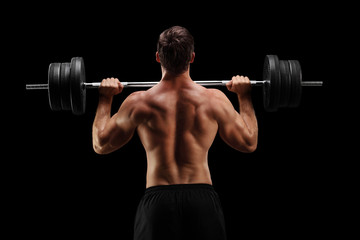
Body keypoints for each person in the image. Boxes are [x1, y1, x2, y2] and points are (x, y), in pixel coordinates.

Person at [92, 26, 258, 240]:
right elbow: (249, 142)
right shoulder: (213, 100)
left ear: (158, 57)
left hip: (157, 202)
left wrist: (106, 98)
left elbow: (100, 144)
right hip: (202, 202)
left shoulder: (139, 103)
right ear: (192, 57)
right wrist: (244, 96)